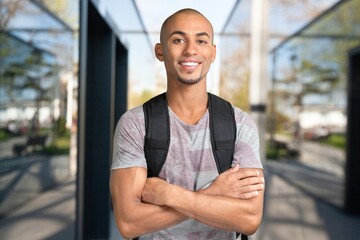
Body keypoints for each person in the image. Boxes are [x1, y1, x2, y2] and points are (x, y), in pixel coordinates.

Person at [110, 8, 265, 240]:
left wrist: (171, 195)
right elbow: (129, 223)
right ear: (160, 51)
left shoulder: (240, 124)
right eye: (178, 39)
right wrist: (214, 193)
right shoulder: (135, 124)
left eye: (201, 40)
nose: (191, 50)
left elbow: (249, 220)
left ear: (212, 53)